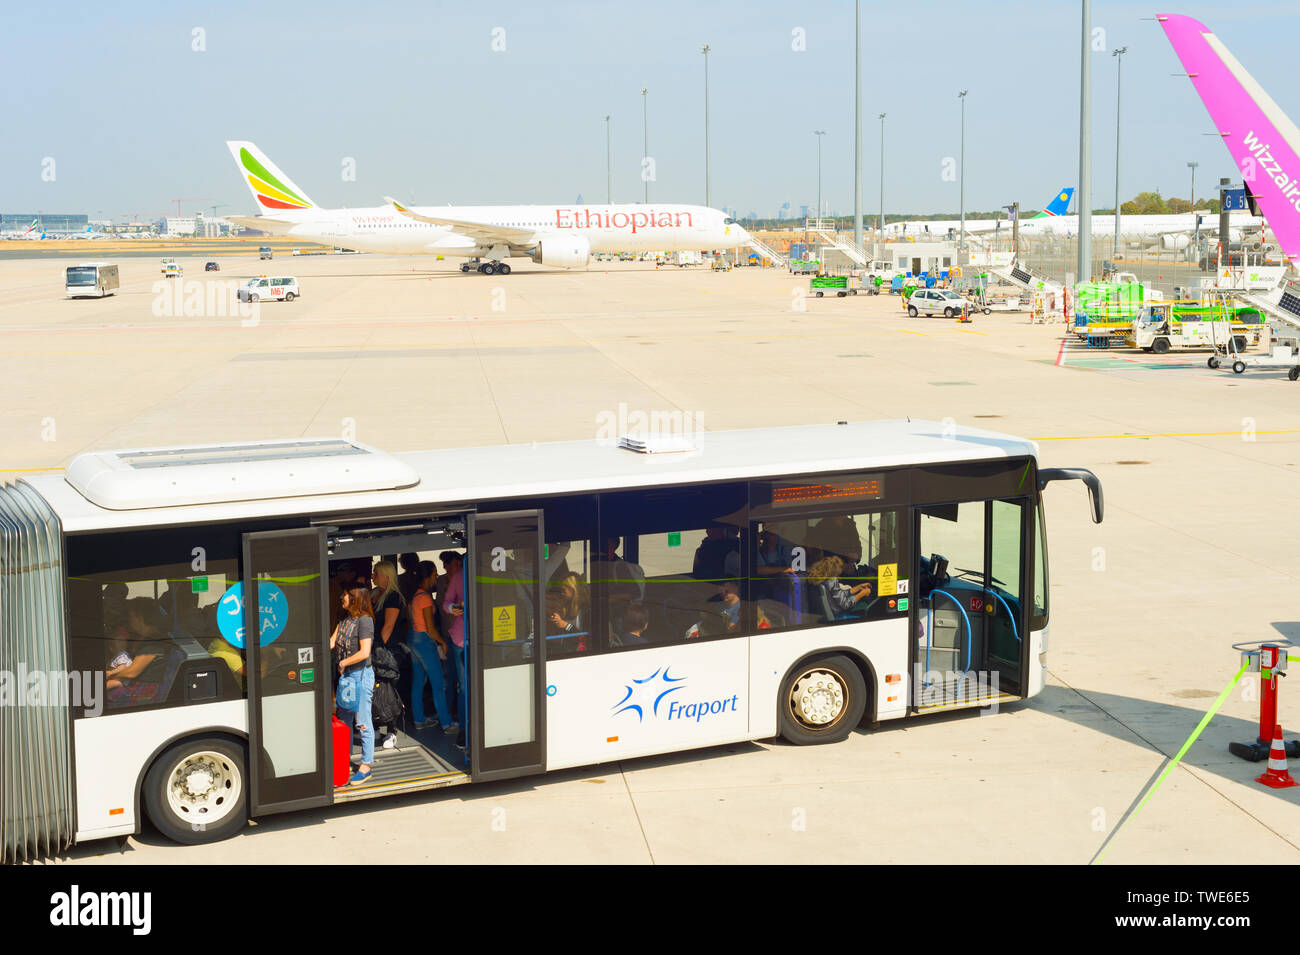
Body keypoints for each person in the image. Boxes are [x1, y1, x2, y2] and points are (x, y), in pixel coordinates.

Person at [331, 585, 375, 785]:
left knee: (363, 721)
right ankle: (345, 760)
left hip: (360, 675)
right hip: (347, 678)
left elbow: (365, 652)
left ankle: (366, 766)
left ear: (355, 598)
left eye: (346, 595)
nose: (342, 597)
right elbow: (331, 643)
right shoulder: (345, 620)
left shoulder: (365, 621)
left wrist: (343, 662)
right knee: (345, 720)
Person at [408, 560, 457, 734]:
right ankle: (447, 723)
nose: (437, 576)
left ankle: (419, 719)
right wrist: (442, 642)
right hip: (424, 642)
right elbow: (430, 627)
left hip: (412, 639)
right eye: (434, 573)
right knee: (438, 683)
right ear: (428, 576)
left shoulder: (415, 596)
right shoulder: (426, 598)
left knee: (418, 682)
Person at [369, 560, 408, 749]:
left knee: (389, 690)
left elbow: (388, 626)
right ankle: (376, 725)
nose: (372, 576)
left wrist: (378, 649)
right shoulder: (376, 595)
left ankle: (392, 731)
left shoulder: (393, 597)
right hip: (376, 649)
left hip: (388, 651)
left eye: (375, 573)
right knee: (376, 689)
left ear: (385, 575)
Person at [438, 551, 469, 756]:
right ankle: (465, 729)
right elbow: (446, 603)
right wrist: (453, 608)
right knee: (463, 686)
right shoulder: (459, 577)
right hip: (460, 638)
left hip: (486, 637)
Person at [807, 555, 872, 614]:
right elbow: (845, 604)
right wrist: (862, 594)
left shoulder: (824, 580)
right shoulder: (832, 581)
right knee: (866, 607)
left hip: (833, 611)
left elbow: (838, 595)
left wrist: (858, 588)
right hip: (839, 614)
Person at [546, 573, 590, 652]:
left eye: (563, 590)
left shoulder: (586, 612)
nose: (561, 594)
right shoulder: (562, 608)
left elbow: (586, 638)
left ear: (573, 589)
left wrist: (565, 625)